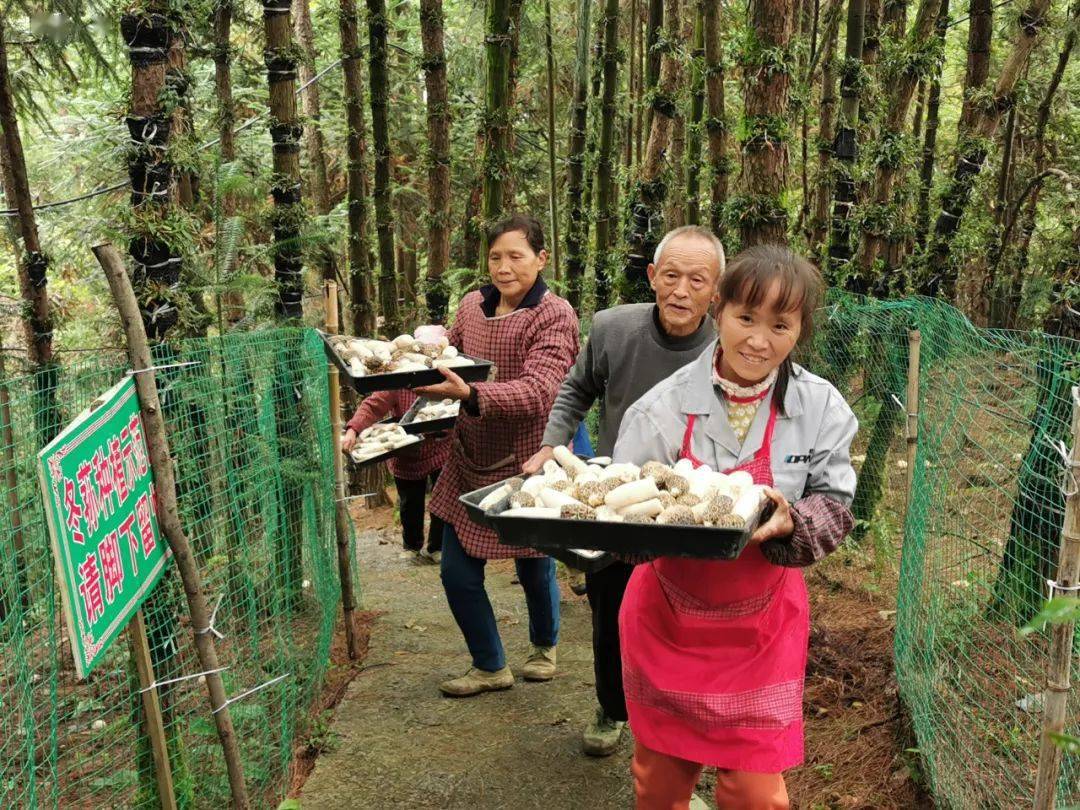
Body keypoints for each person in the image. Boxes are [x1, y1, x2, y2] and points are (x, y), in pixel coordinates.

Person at [612, 245, 859, 809]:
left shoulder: (820, 407)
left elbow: (835, 504)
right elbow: (623, 517)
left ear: (800, 330)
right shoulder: (661, 409)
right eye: (745, 318)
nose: (758, 340)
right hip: (666, 621)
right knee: (660, 782)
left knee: (756, 793)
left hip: (763, 630)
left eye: (780, 325)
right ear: (717, 311)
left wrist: (792, 523)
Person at [523, 225, 725, 756]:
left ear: (716, 291)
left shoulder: (730, 347)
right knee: (612, 608)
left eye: (697, 280)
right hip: (618, 496)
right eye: (672, 276)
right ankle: (612, 709)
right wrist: (552, 443)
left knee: (687, 618)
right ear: (653, 276)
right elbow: (577, 387)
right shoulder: (613, 329)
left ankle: (682, 722)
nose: (681, 291)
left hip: (694, 504)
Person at [415, 214, 579, 697]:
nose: (504, 268)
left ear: (541, 259)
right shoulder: (471, 306)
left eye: (516, 256)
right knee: (456, 569)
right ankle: (489, 664)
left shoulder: (555, 315)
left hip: (528, 459)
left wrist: (471, 394)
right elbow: (451, 350)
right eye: (495, 257)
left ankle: (544, 646)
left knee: (534, 561)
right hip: (469, 456)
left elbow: (541, 390)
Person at [341, 389, 448, 563]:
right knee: (410, 503)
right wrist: (353, 429)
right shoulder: (397, 385)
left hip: (440, 449)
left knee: (443, 499)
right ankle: (412, 546)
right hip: (406, 451)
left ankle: (437, 547)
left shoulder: (441, 377)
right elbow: (372, 406)